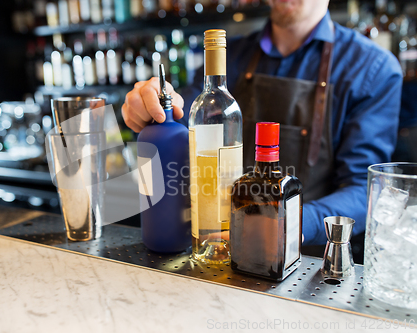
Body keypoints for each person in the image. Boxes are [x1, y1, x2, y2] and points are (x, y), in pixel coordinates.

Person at [121, 0, 402, 246]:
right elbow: (183, 127)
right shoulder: (228, 56)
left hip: (307, 259)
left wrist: (290, 224)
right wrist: (154, 107)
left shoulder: (373, 69)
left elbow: (365, 189)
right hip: (220, 248)